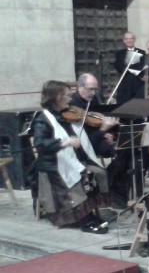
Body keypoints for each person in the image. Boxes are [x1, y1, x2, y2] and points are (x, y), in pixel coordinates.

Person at [32, 80, 110, 233]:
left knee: (99, 172)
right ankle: (84, 219)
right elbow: (40, 144)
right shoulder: (43, 119)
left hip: (72, 160)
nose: (70, 99)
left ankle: (89, 212)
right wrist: (64, 143)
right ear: (55, 97)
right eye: (66, 96)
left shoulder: (67, 114)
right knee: (81, 176)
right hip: (53, 165)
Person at [112, 31, 145, 105]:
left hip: (137, 84)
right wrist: (132, 67)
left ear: (134, 40)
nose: (129, 40)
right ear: (124, 41)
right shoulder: (120, 53)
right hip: (125, 85)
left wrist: (129, 67)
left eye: (131, 38)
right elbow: (120, 67)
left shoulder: (142, 52)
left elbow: (141, 67)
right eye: (127, 39)